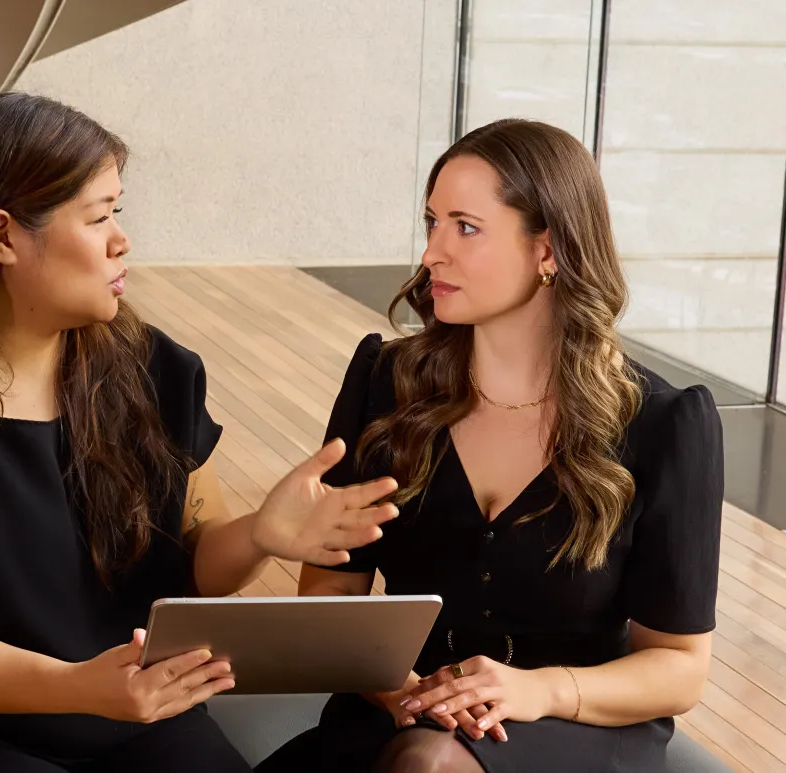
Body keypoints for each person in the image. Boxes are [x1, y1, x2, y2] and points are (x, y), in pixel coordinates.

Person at [0, 92, 398, 773]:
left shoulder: (156, 368)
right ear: (2, 235)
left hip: (137, 716)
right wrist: (79, 687)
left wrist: (260, 536)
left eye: (116, 213)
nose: (121, 240)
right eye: (98, 216)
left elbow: (190, 568)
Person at [256, 118, 724, 773]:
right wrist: (401, 690)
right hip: (398, 711)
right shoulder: (384, 383)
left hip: (571, 722)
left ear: (549, 249)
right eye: (431, 223)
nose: (431, 253)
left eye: (465, 227)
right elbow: (330, 595)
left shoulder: (666, 424)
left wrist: (536, 689)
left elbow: (679, 667)